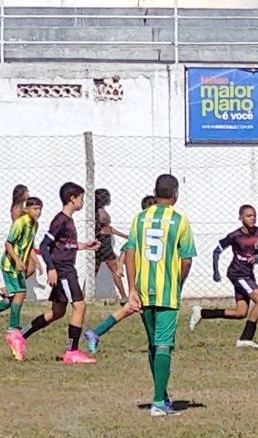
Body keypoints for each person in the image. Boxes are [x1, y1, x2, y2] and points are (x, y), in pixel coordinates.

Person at [121, 175, 196, 416]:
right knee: (164, 344)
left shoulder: (140, 218)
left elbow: (130, 253)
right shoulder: (180, 220)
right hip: (166, 292)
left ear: (154, 193)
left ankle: (161, 395)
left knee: (153, 343)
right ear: (175, 194)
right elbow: (186, 260)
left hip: (142, 290)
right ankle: (158, 403)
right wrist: (178, 284)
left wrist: (132, 289)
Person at [6, 182, 100, 364]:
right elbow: (44, 246)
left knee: (57, 312)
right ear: (72, 198)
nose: (82, 201)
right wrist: (51, 268)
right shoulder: (61, 220)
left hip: (64, 269)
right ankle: (72, 351)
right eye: (81, 197)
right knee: (79, 306)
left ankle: (20, 336)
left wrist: (84, 246)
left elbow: (63, 245)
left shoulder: (68, 221)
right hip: (64, 270)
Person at [83, 195, 156, 356]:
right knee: (145, 309)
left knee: (130, 309)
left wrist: (121, 264)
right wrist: (121, 265)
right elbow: (127, 248)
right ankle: (157, 346)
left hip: (148, 277)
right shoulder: (143, 227)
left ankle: (95, 333)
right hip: (143, 278)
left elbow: (126, 246)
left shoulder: (148, 227)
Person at [190, 204, 258, 348]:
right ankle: (246, 338)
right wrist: (216, 271)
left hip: (248, 274)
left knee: (241, 312)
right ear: (241, 218)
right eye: (248, 215)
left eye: (254, 215)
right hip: (238, 274)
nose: (252, 218)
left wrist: (257, 259)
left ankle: (202, 312)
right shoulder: (235, 236)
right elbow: (217, 251)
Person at [0, 197, 43, 337]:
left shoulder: (34, 225)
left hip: (18, 265)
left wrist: (36, 261)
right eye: (35, 209)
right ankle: (13, 327)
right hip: (10, 265)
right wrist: (18, 261)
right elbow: (8, 244)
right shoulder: (20, 223)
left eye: (40, 209)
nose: (38, 212)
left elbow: (29, 245)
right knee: (20, 293)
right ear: (26, 209)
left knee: (14, 295)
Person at [94, 188, 129, 301]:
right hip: (105, 242)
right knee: (116, 270)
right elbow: (106, 229)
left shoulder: (96, 211)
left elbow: (108, 229)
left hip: (101, 242)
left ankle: (84, 294)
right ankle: (124, 296)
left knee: (93, 270)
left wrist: (125, 236)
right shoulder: (101, 212)